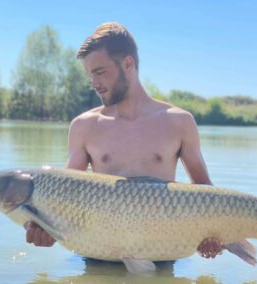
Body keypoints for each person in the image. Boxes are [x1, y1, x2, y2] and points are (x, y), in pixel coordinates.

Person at [24, 22, 224, 259]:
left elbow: (206, 193)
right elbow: (65, 200)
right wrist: (40, 227)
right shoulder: (84, 126)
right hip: (98, 256)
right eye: (90, 75)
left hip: (160, 254)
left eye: (100, 72)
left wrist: (213, 235)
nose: (94, 84)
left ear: (128, 64)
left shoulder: (179, 122)